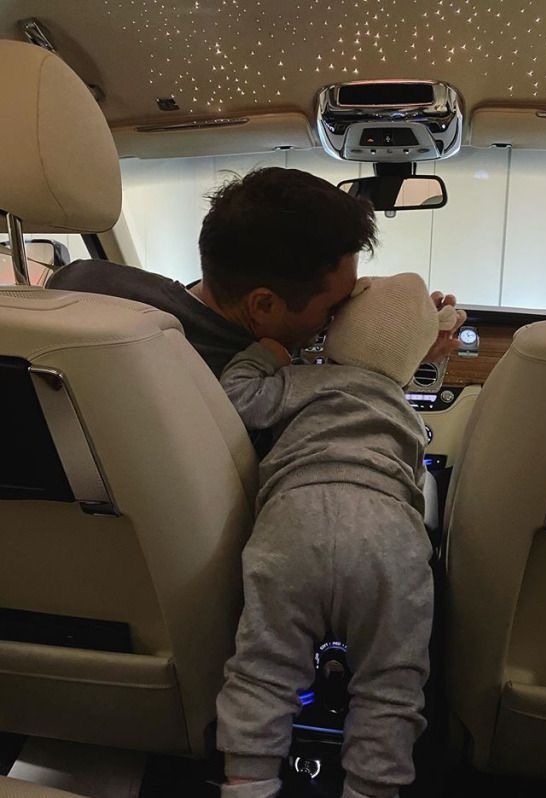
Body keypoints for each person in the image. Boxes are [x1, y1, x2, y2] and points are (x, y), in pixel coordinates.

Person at [216, 273, 458, 798]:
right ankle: (370, 788)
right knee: (391, 680)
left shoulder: (302, 380)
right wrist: (429, 355)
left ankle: (248, 783)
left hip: (293, 518)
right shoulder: (400, 407)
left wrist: (267, 353)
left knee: (264, 664)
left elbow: (235, 398)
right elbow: (399, 379)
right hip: (387, 530)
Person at [47, 167, 464, 375]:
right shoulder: (254, 387)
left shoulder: (80, 286)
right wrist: (400, 361)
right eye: (334, 306)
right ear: (263, 305)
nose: (341, 317)